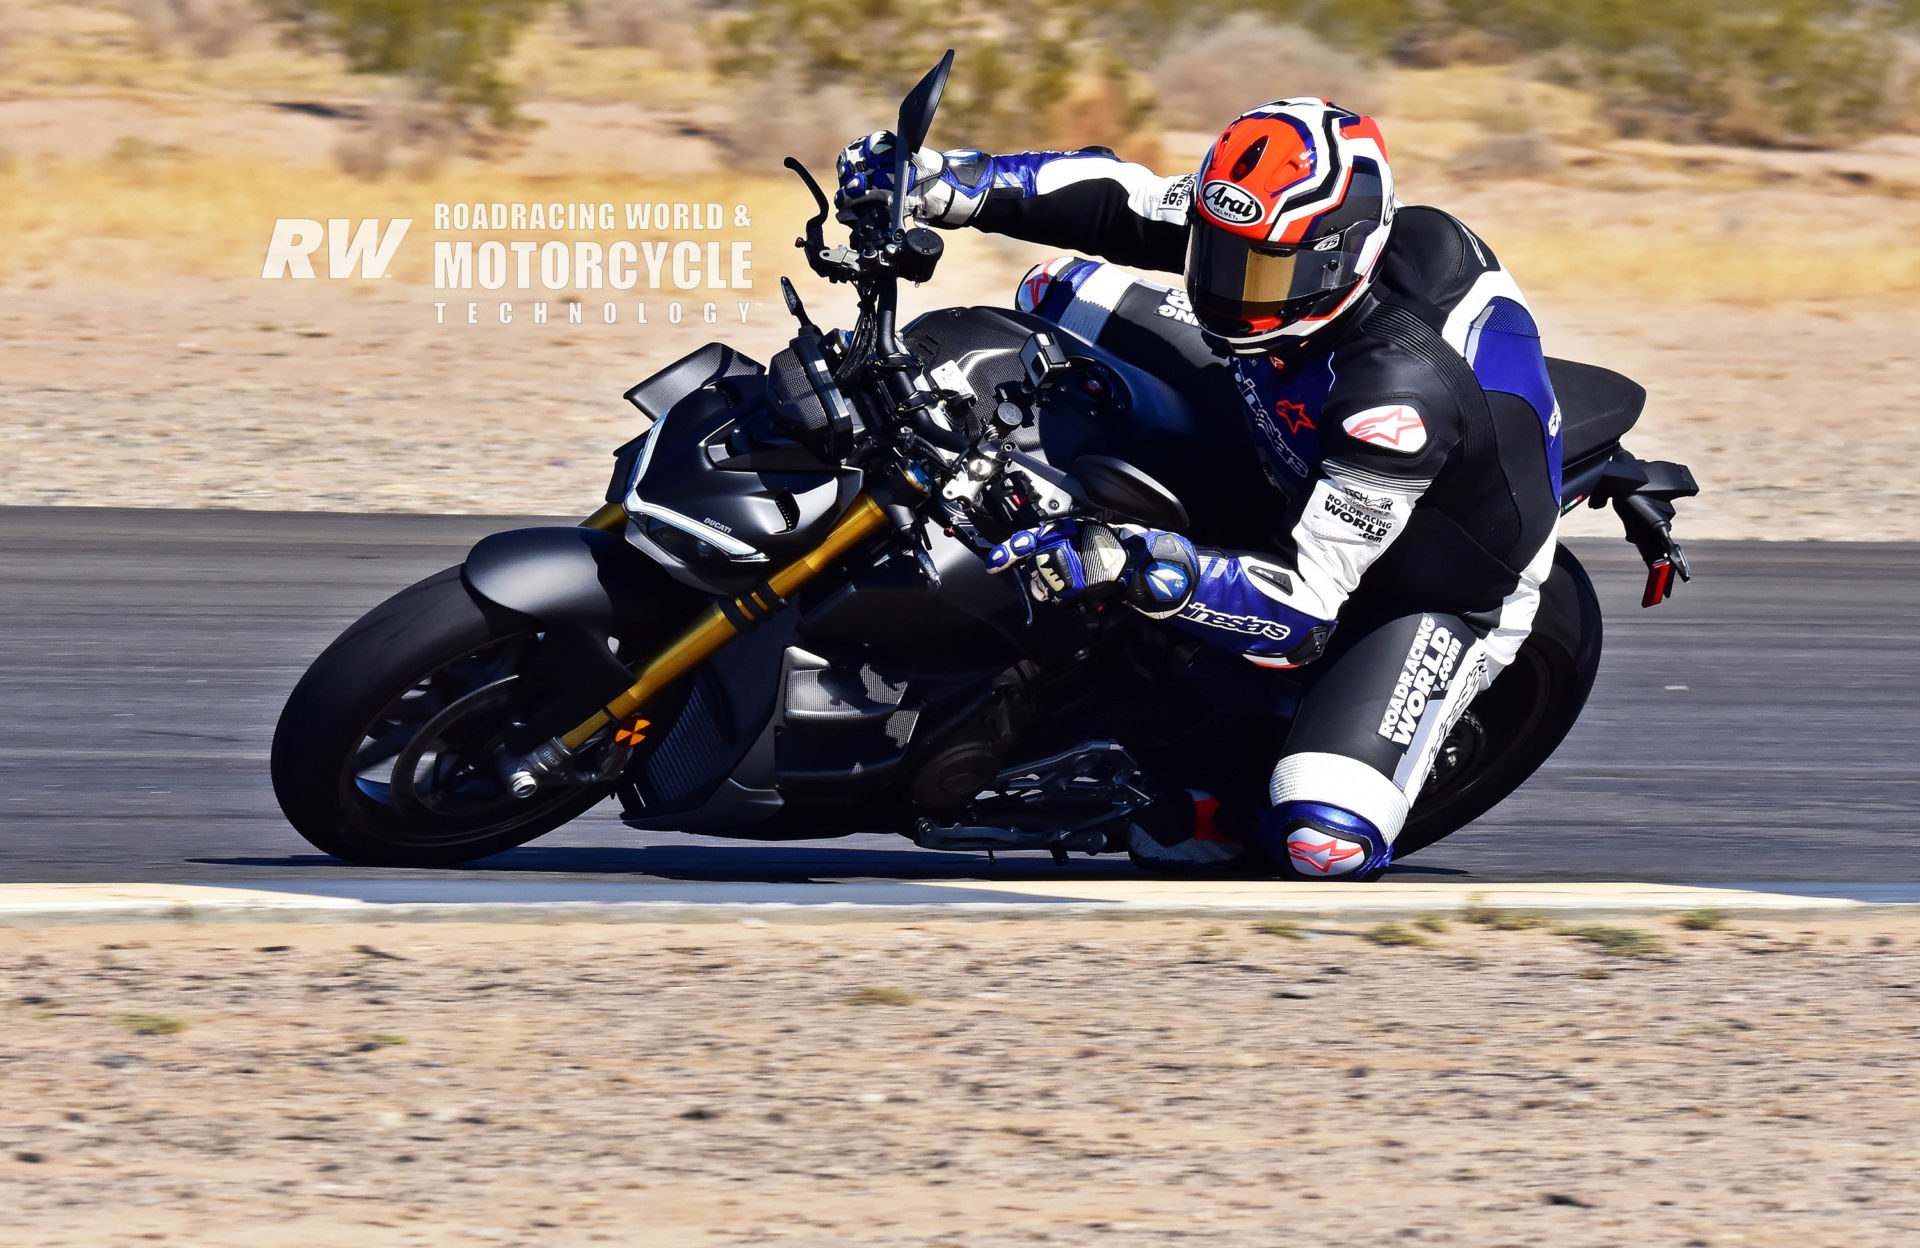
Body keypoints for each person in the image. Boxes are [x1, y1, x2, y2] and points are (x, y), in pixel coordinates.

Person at [836, 98, 1563, 879]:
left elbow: (1307, 613)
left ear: (1338, 259)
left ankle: (1229, 781)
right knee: (1054, 288)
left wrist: (1143, 563)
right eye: (1218, 257)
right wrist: (950, 180)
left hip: (1413, 588)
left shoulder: (1397, 402)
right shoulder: (1282, 233)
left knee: (1322, 845)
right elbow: (1128, 197)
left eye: (1261, 272)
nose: (1228, 292)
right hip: (1289, 409)